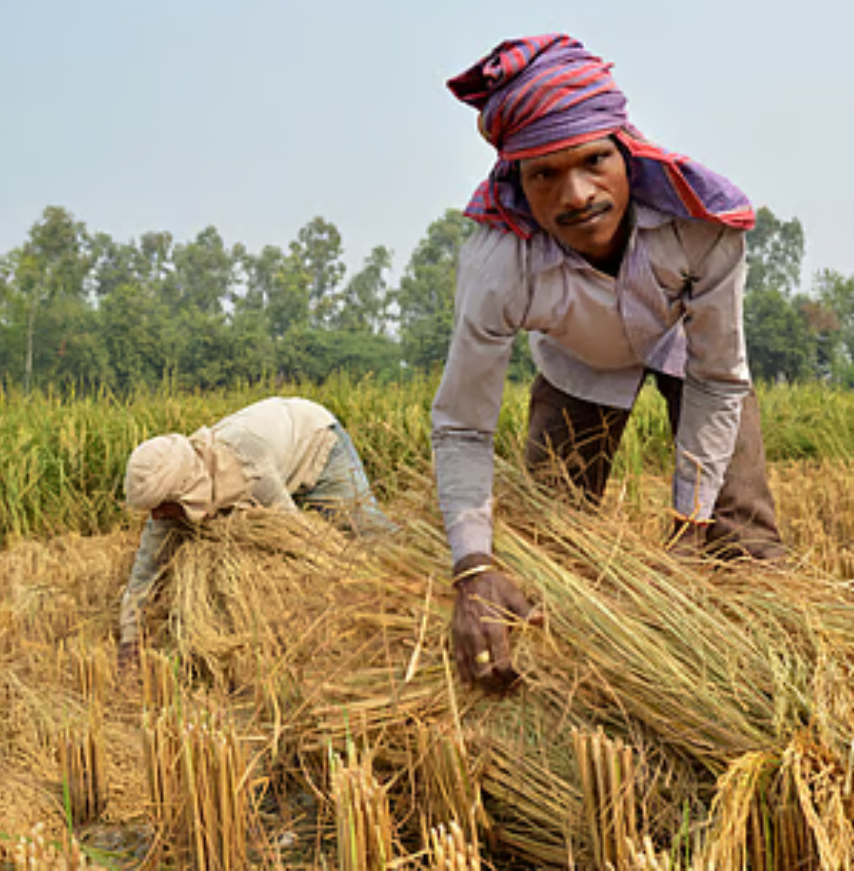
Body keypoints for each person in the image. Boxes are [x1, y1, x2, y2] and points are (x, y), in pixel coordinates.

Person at [433, 34, 786, 691]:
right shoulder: (498, 263)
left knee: (743, 540)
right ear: (517, 183)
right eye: (544, 175)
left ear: (627, 153)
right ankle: (571, 691)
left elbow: (716, 378)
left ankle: (765, 685)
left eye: (595, 161)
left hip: (686, 355)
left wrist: (689, 528)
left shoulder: (699, 226)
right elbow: (462, 425)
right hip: (578, 364)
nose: (576, 195)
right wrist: (472, 567)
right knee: (549, 544)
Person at [117, 396, 393, 667]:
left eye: (161, 506)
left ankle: (408, 589)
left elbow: (296, 537)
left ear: (184, 490)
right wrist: (130, 640)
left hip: (315, 441)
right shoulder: (169, 496)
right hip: (276, 450)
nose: (155, 517)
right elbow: (145, 572)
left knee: (368, 534)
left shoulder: (249, 468)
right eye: (151, 508)